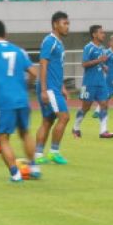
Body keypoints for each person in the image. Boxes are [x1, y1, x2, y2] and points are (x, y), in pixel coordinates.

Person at [0, 20, 40, 182]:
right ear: (6, 34)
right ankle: (34, 168)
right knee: (25, 133)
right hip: (21, 99)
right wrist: (25, 86)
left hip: (2, 101)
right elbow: (34, 72)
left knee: (2, 138)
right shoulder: (19, 50)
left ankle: (15, 174)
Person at [34, 11, 71, 165]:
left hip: (54, 87)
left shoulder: (59, 43)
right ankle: (54, 152)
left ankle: (38, 155)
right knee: (64, 117)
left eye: (68, 23)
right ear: (55, 24)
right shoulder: (50, 41)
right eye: (65, 23)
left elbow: (57, 67)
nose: (67, 27)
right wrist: (43, 89)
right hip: (48, 88)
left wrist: (62, 86)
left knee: (48, 120)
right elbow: (43, 64)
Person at [72, 25, 113, 139]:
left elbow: (100, 61)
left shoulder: (101, 48)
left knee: (104, 104)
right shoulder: (88, 47)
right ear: (94, 34)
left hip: (101, 82)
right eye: (101, 32)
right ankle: (76, 127)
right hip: (89, 82)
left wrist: (103, 66)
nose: (103, 34)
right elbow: (84, 64)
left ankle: (103, 131)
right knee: (86, 107)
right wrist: (99, 61)